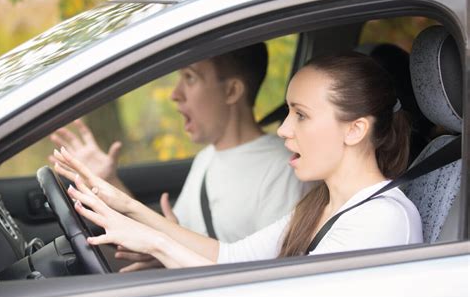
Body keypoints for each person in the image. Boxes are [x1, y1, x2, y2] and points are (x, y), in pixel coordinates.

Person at [53, 52, 423, 270]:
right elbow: (227, 257)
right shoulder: (320, 206)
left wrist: (156, 244)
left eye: (301, 115)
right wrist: (125, 205)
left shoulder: (381, 220)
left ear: (355, 130)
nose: (283, 130)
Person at [50, 43, 308, 243]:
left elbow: (270, 275)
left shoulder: (283, 170)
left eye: (190, 77)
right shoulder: (206, 158)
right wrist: (109, 182)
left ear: (231, 91)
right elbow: (174, 236)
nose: (175, 94)